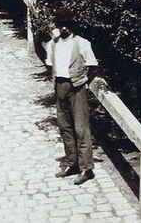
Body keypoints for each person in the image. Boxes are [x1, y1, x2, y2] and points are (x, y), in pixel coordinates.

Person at [42, 9, 99, 184]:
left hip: (77, 87)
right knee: (64, 126)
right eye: (61, 24)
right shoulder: (54, 43)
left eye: (67, 24)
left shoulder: (81, 43)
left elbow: (93, 65)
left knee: (81, 128)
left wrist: (82, 82)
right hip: (60, 86)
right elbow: (50, 64)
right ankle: (72, 163)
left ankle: (86, 168)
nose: (64, 27)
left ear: (72, 25)